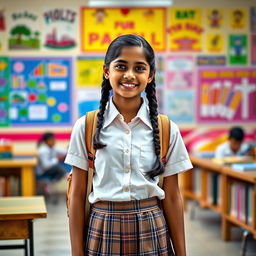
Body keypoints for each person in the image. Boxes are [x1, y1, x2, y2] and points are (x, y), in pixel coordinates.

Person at [65, 34, 193, 256]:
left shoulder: (166, 128)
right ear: (107, 71)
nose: (130, 75)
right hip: (102, 228)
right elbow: (76, 195)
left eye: (140, 68)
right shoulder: (85, 126)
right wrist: (77, 252)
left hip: (152, 228)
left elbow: (172, 196)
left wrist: (181, 253)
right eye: (121, 66)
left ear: (151, 75)